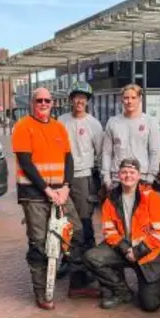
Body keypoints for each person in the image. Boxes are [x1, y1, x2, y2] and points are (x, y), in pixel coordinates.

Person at [11, 87, 101, 310]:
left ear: (52, 103)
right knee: (39, 243)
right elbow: (26, 162)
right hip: (34, 195)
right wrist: (47, 190)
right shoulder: (23, 127)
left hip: (60, 192)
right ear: (32, 103)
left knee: (77, 233)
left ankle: (77, 283)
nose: (43, 104)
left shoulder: (58, 127)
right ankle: (42, 292)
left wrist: (66, 187)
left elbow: (68, 159)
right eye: (39, 100)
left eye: (47, 100)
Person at [83, 157, 160, 312]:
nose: (128, 176)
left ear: (139, 175)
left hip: (148, 253)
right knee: (92, 257)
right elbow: (109, 231)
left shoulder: (151, 197)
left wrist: (137, 252)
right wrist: (124, 248)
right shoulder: (111, 199)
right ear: (118, 175)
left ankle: (144, 285)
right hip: (123, 248)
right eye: (124, 172)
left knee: (150, 305)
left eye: (132, 172)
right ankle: (121, 291)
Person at [56, 81, 103, 278]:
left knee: (84, 223)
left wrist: (98, 182)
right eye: (76, 97)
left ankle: (90, 261)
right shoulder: (61, 121)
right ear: (70, 100)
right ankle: (68, 260)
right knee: (64, 223)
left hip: (84, 178)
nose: (79, 101)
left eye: (83, 98)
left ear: (88, 101)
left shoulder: (94, 124)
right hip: (63, 179)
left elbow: (100, 154)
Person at [101, 84, 160, 190]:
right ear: (122, 100)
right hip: (117, 178)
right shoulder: (113, 122)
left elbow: (155, 151)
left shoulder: (150, 122)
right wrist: (106, 177)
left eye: (133, 98)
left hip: (142, 177)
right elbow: (107, 152)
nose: (129, 101)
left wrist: (151, 176)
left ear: (140, 99)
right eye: (126, 98)